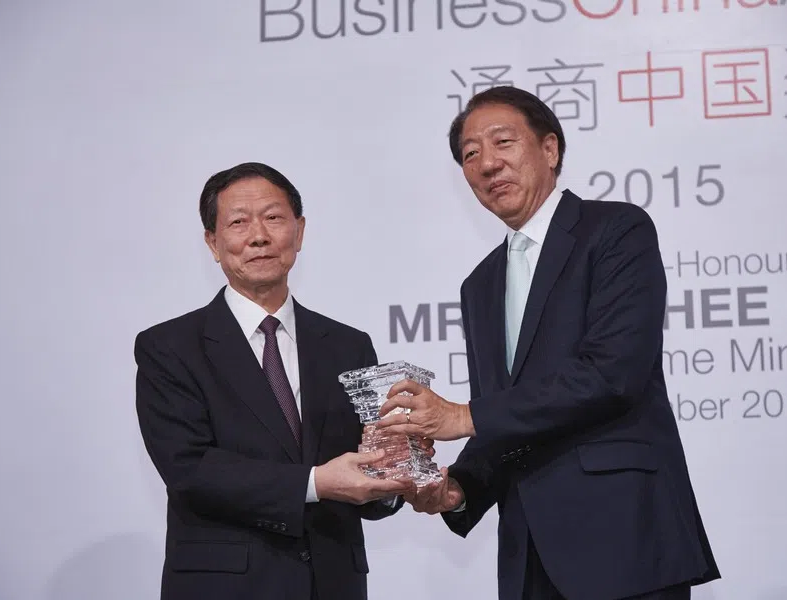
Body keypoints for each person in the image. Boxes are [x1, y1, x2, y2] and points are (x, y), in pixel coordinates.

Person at [375, 87, 721, 600]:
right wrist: (458, 488)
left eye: (503, 142)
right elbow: (507, 413)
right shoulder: (480, 284)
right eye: (471, 155)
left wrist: (464, 416)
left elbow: (612, 374)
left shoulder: (616, 230)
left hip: (622, 536)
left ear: (550, 149)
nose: (488, 164)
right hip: (529, 553)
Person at [134, 162, 416, 600]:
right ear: (213, 242)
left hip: (333, 583)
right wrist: (316, 483)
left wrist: (393, 479)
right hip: (225, 587)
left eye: (273, 217)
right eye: (238, 222)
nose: (258, 236)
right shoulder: (169, 348)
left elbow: (366, 462)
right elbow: (189, 470)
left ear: (299, 232)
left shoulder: (348, 345)